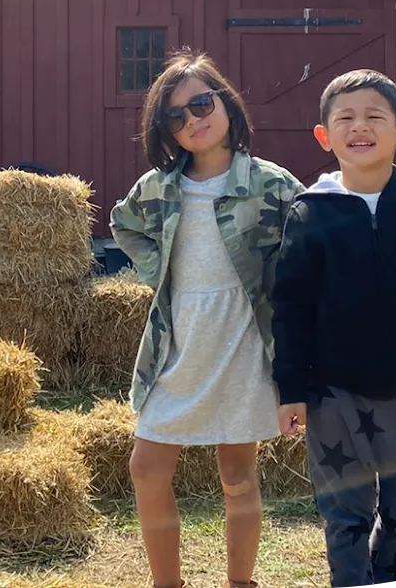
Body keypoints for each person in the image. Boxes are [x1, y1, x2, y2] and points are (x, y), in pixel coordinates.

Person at [270, 69, 396, 587]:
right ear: (324, 136)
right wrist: (290, 389)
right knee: (346, 516)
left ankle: (388, 573)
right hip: (332, 397)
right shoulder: (310, 213)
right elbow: (290, 308)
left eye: (373, 116)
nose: (359, 126)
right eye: (344, 118)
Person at [109, 47, 307, 588]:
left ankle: (239, 583)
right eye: (175, 116)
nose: (192, 120)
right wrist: (159, 270)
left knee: (237, 474)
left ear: (225, 102)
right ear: (165, 130)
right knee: (146, 467)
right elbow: (123, 224)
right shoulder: (158, 187)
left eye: (201, 104)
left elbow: (310, 249)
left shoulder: (272, 184)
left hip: (242, 343)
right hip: (177, 345)